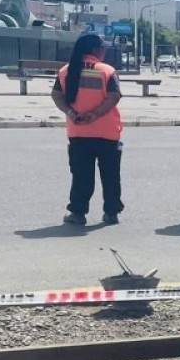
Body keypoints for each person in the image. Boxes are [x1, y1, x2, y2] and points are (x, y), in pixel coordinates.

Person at [50, 33, 124, 226]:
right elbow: (114, 96)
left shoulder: (66, 71)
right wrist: (96, 113)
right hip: (107, 132)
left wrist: (71, 112)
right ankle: (111, 213)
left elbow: (56, 95)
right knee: (110, 175)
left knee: (81, 176)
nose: (105, 50)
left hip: (79, 132)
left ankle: (77, 213)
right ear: (94, 50)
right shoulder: (106, 70)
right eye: (103, 48)